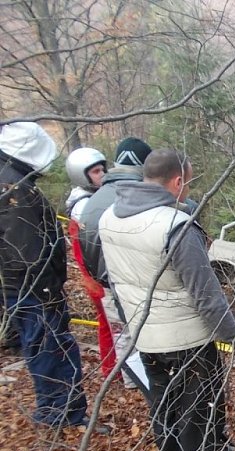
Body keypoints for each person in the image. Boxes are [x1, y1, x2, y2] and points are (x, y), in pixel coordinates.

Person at [99, 149, 235, 451]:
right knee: (200, 414)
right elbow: (207, 295)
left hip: (147, 336)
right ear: (178, 182)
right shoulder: (176, 227)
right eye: (189, 182)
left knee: (164, 405)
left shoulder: (110, 216)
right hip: (189, 342)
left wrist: (131, 324)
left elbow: (114, 279)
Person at [0, 122, 104, 432]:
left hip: (26, 287)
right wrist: (49, 294)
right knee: (51, 348)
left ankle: (60, 409)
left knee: (46, 347)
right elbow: (27, 252)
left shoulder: (14, 183)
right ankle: (61, 413)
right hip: (34, 289)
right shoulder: (15, 192)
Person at [79, 137, 153, 393]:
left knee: (123, 340)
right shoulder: (138, 200)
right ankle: (150, 390)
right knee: (147, 340)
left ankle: (133, 386)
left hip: (108, 287)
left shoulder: (91, 203)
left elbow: (85, 248)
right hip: (137, 285)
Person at [64, 147, 118, 379]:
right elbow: (89, 248)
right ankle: (114, 371)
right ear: (82, 175)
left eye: (102, 169)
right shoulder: (83, 206)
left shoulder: (86, 200)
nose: (102, 174)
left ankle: (111, 369)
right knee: (112, 325)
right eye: (96, 171)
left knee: (108, 325)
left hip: (95, 274)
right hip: (97, 275)